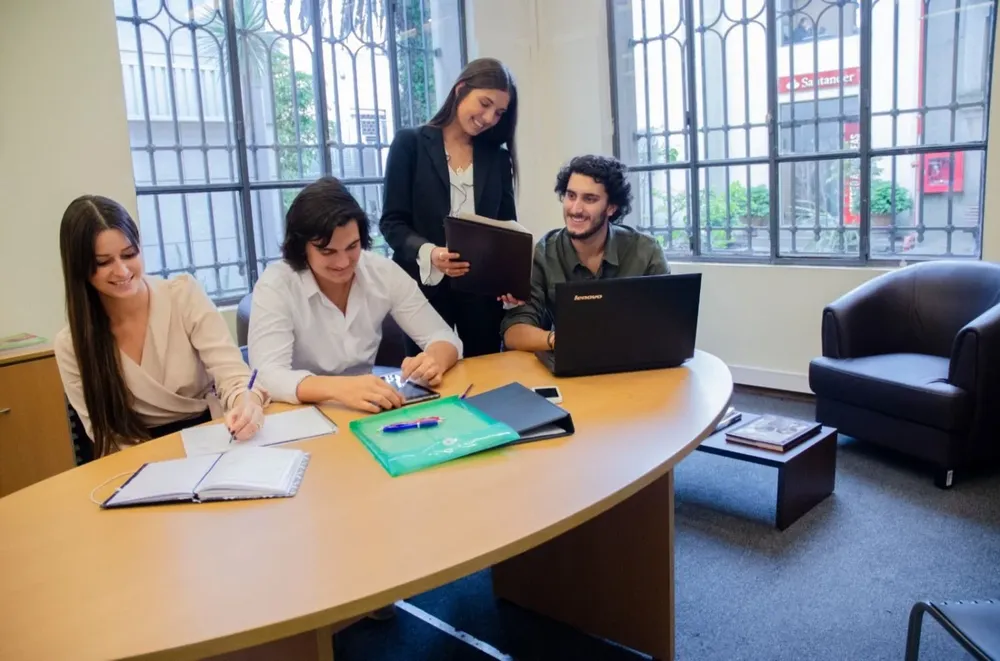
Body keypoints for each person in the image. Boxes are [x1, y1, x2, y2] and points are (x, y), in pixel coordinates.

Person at [53, 195, 268, 459]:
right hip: (139, 456)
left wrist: (245, 401)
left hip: (213, 438)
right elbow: (107, 436)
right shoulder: (72, 345)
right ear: (79, 267)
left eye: (129, 254)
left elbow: (232, 374)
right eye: (103, 262)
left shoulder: (183, 295)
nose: (122, 271)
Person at [248, 176, 464, 413]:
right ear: (302, 248)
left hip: (366, 409)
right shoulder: (276, 285)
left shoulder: (382, 272)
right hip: (298, 414)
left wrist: (434, 359)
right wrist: (338, 389)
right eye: (328, 252)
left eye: (352, 246)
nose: (343, 262)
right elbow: (266, 375)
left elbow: (444, 336)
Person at [379, 57, 518, 358]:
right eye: (484, 103)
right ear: (460, 89)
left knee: (486, 371)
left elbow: (507, 228)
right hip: (422, 287)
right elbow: (392, 222)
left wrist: (510, 279)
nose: (489, 118)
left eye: (499, 112)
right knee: (428, 372)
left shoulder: (497, 158)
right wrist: (430, 252)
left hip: (481, 292)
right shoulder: (410, 144)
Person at [501, 155, 670, 352]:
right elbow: (514, 331)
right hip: (568, 360)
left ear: (611, 207)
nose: (576, 209)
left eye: (589, 199)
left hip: (634, 360)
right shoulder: (545, 252)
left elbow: (667, 326)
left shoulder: (646, 251)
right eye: (571, 196)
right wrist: (561, 340)